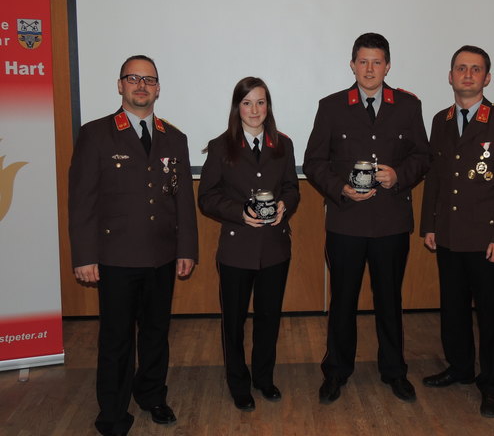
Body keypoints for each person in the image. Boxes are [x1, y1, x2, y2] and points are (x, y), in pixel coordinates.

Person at [68, 55, 198, 436]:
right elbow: (82, 201)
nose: (141, 86)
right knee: (116, 339)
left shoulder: (174, 138)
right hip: (117, 257)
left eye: (149, 80)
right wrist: (84, 256)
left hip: (161, 255)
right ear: (120, 85)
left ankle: (152, 395)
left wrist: (186, 248)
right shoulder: (96, 134)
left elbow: (181, 202)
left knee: (157, 333)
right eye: (133, 78)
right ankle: (112, 412)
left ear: (158, 88)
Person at [303, 33, 430, 403]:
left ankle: (394, 371)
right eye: (363, 61)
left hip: (390, 223)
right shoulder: (331, 106)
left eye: (377, 62)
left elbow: (423, 156)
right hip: (346, 223)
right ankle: (336, 371)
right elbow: (314, 162)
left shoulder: (407, 106)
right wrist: (340, 188)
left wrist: (399, 176)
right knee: (342, 302)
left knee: (389, 301)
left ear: (387, 65)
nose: (369, 69)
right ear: (352, 64)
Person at [420, 45, 494, 417]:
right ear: (450, 76)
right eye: (461, 68)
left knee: (489, 314)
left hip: (487, 239)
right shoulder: (441, 120)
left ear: (487, 78)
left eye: (476, 69)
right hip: (448, 234)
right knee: (452, 309)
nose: (468, 75)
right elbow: (435, 178)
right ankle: (461, 367)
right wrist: (429, 225)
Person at [198, 77, 299, 412]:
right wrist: (239, 213)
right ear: (236, 107)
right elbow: (207, 198)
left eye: (261, 102)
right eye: (247, 103)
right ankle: (238, 383)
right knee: (234, 321)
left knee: (269, 318)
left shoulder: (283, 144)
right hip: (236, 249)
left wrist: (286, 204)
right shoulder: (220, 146)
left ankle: (263, 378)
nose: (254, 110)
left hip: (274, 248)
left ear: (268, 106)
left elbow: (292, 189)